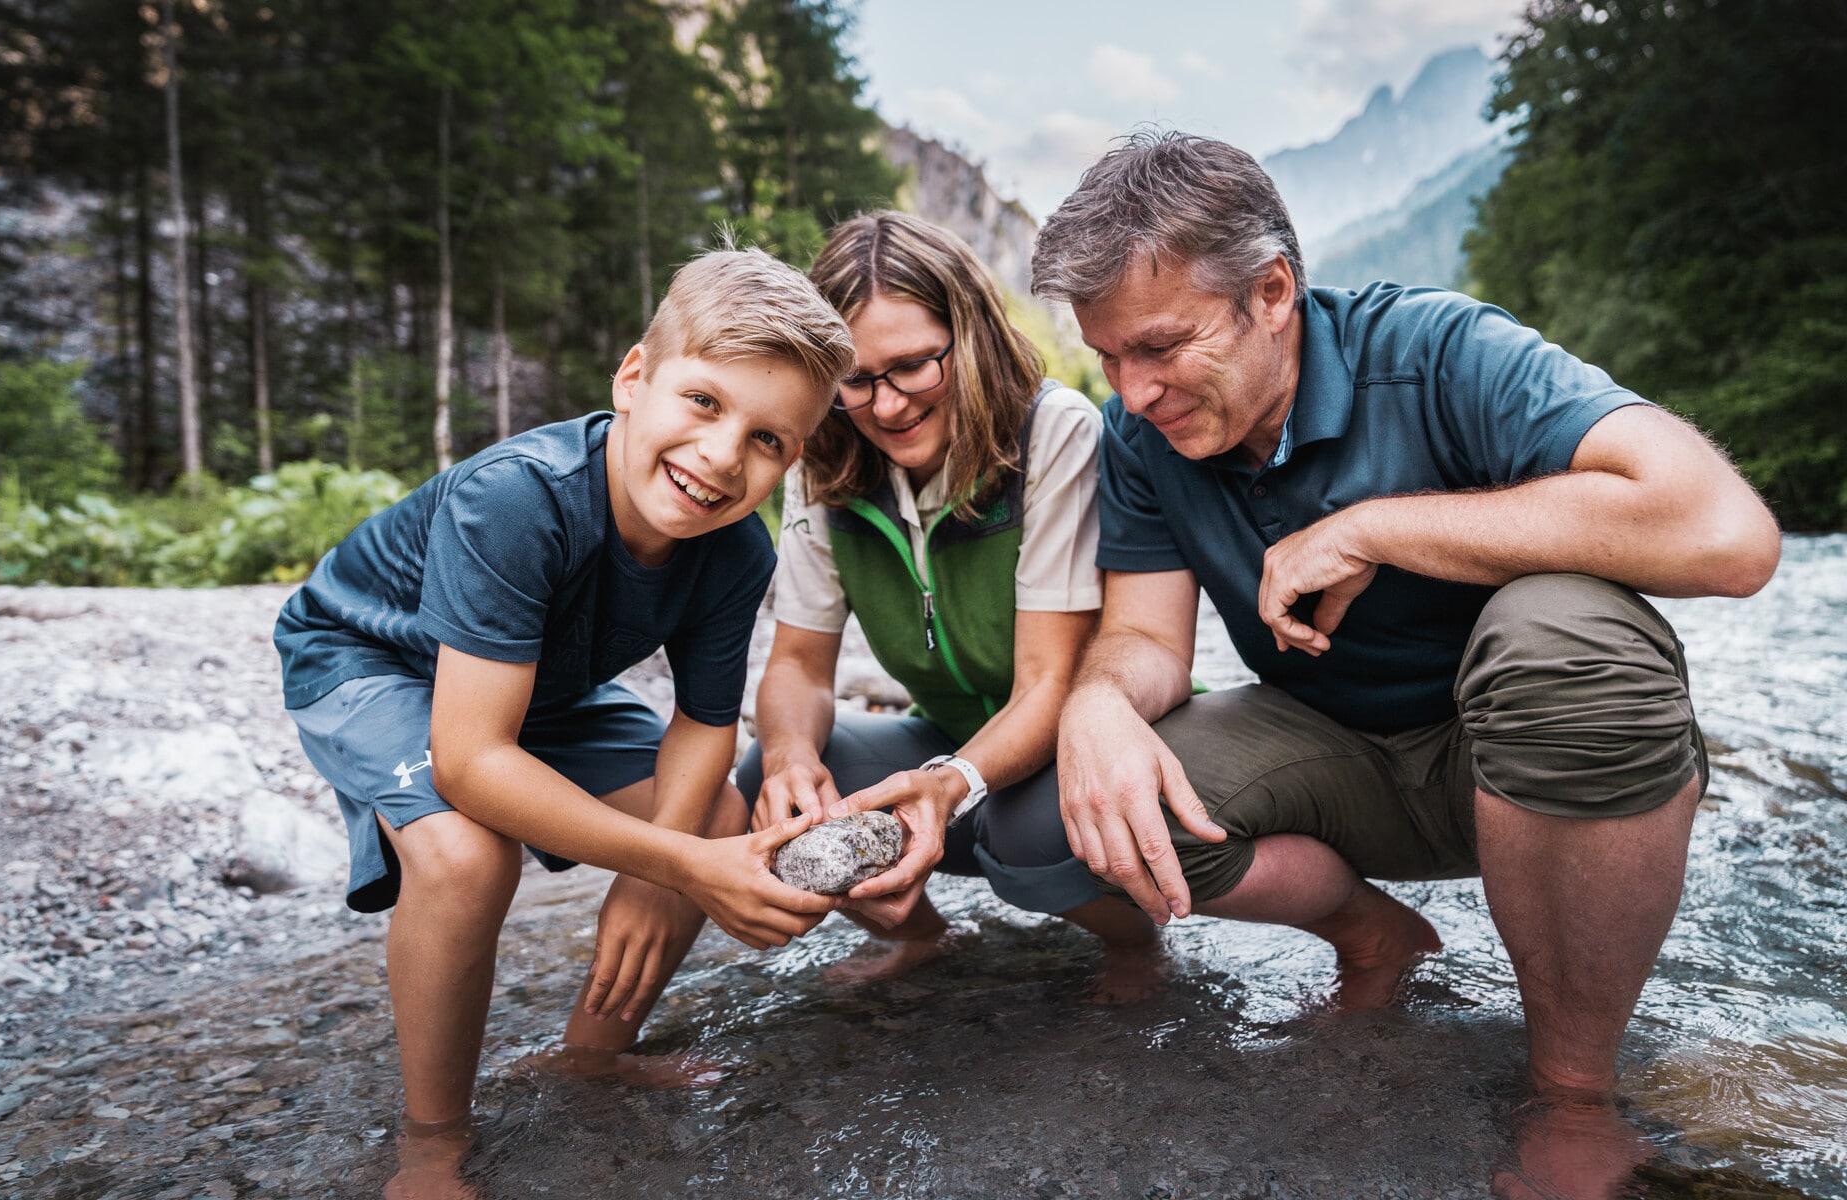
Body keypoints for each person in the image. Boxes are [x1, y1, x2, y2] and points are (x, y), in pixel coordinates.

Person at [1028, 132, 1781, 1199]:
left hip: (1533, 761)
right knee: (1104, 797)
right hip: (1347, 761)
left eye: (1160, 345)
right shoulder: (1139, 438)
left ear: (1274, 290)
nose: (1133, 389)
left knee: (1560, 628)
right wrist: (1097, 702)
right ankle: (1380, 934)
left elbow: (1728, 533)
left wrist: (1382, 526)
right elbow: (1148, 639)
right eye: (1108, 358)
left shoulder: (1437, 350)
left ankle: (1571, 1088)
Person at [273, 248, 854, 1199]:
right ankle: (431, 1146)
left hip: (537, 679)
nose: (721, 455)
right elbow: (468, 760)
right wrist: (670, 865)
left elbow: (704, 728)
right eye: (703, 403)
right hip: (373, 657)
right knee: (465, 855)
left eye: (768, 441)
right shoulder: (516, 499)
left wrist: (664, 853)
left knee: (713, 815)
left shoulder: (736, 552)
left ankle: (587, 1056)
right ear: (634, 378)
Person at [736, 211, 1163, 997]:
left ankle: (1137, 945)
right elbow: (797, 665)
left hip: (1080, 739)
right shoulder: (821, 463)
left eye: (912, 367)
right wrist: (793, 759)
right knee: (770, 769)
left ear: (969, 338)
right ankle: (931, 939)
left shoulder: (1053, 432)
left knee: (1022, 825)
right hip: (948, 743)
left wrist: (951, 782)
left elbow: (1048, 685)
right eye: (854, 381)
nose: (887, 406)